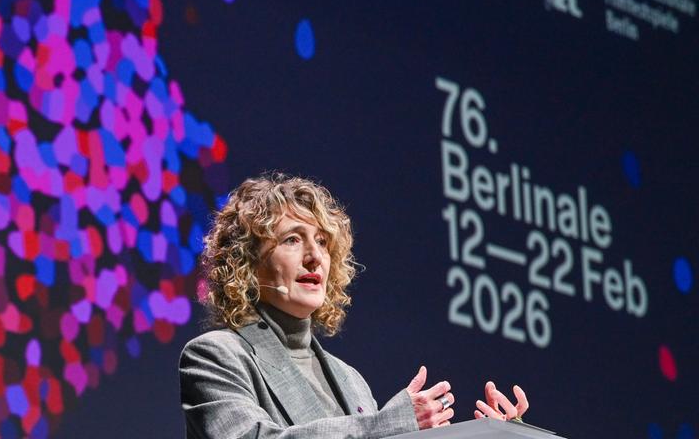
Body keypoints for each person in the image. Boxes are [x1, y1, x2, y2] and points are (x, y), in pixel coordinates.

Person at [179, 173, 528, 438]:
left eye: (322, 242)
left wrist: (496, 434)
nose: (315, 257)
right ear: (247, 263)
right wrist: (387, 424)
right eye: (292, 240)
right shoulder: (216, 356)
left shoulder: (350, 381)